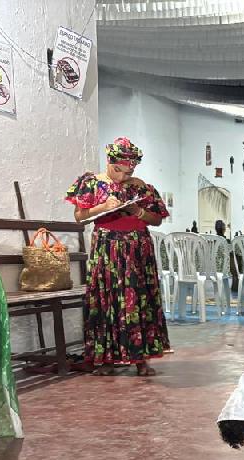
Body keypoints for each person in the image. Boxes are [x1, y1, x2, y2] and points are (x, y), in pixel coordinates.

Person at [65, 137, 169, 376]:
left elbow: (157, 219)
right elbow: (79, 216)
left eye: (129, 171)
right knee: (106, 298)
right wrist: (103, 207)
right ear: (110, 162)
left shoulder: (141, 187)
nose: (124, 176)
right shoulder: (92, 183)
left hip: (137, 248)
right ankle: (107, 360)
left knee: (139, 298)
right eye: (119, 170)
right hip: (106, 247)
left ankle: (141, 359)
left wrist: (138, 211)